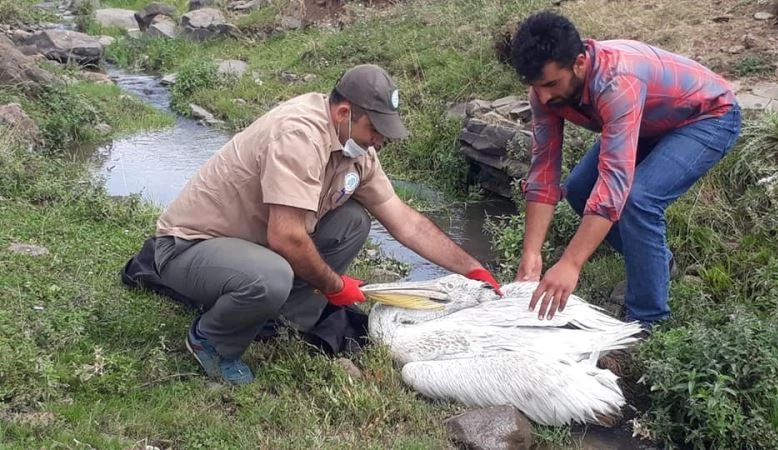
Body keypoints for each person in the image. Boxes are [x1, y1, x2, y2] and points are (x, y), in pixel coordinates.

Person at [147, 64, 503, 384]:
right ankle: (211, 340)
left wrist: (471, 269)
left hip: (250, 247)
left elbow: (405, 222)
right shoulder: (299, 135)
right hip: (189, 248)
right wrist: (335, 286)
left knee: (352, 221)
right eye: (375, 129)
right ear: (344, 112)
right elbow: (286, 236)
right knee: (271, 276)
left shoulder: (356, 150)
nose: (380, 141)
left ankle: (282, 319)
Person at [509, 12, 741, 329]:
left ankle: (647, 322)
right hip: (645, 123)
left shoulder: (616, 81)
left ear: (579, 63)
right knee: (579, 190)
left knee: (637, 199)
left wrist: (570, 263)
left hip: (708, 116)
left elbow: (613, 184)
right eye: (536, 87)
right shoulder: (544, 92)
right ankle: (658, 263)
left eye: (551, 84)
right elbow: (544, 169)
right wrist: (532, 253)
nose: (545, 96)